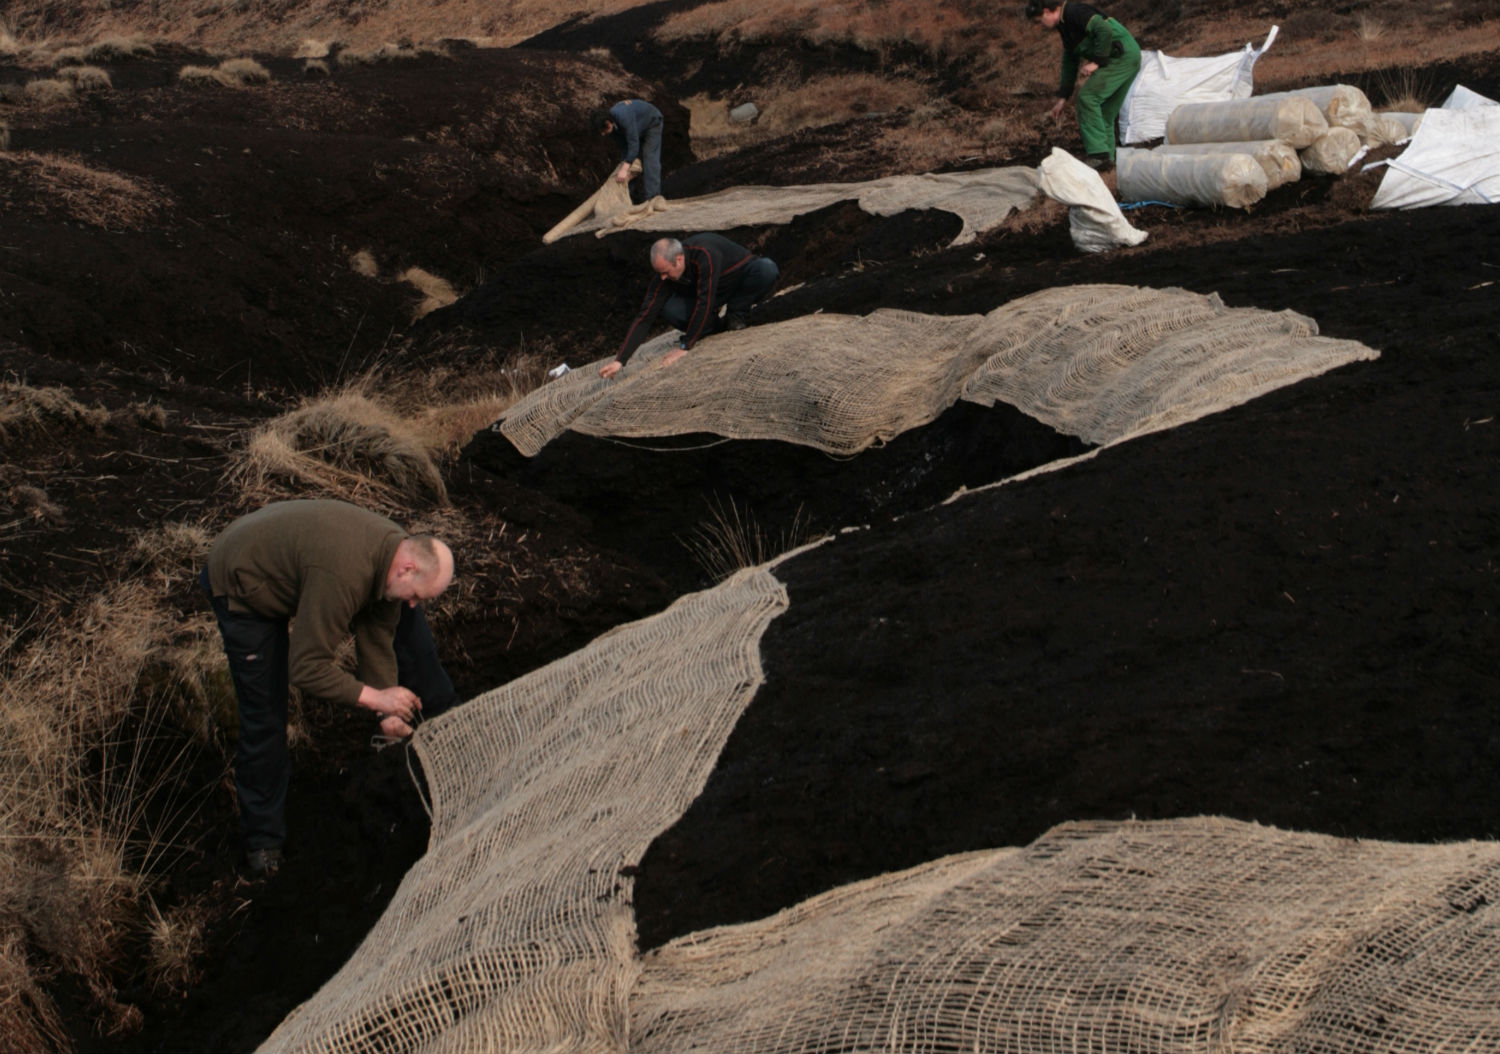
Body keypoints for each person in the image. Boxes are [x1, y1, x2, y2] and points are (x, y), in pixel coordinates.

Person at [199, 499, 459, 876]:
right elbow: (305, 668)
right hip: (242, 580)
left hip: (290, 559)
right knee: (266, 716)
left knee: (401, 632)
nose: (415, 605)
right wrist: (374, 696)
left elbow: (376, 641)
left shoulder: (392, 558)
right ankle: (263, 845)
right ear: (408, 568)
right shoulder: (344, 575)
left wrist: (387, 716)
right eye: (418, 595)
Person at [598, 234, 779, 380]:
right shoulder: (664, 277)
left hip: (735, 279)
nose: (662, 278)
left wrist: (685, 346)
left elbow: (704, 301)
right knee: (672, 310)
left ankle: (736, 314)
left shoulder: (705, 254)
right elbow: (645, 316)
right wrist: (620, 360)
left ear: (679, 260)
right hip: (709, 294)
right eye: (659, 273)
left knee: (766, 269)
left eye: (665, 272)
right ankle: (713, 327)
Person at [1027, 0, 1141, 169]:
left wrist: (1096, 62)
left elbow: (1104, 29)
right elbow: (1070, 61)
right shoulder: (1064, 27)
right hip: (1125, 56)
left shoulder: (1074, 12)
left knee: (1088, 97)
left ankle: (1099, 156)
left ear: (1047, 11)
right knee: (1104, 114)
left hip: (1121, 56)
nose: (1040, 26)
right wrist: (1062, 98)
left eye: (1039, 20)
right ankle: (1109, 163)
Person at [590, 99, 664, 203]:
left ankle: (653, 198)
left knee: (649, 157)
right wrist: (626, 166)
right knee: (628, 163)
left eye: (603, 131)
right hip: (637, 127)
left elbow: (634, 144)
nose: (603, 134)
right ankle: (629, 197)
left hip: (652, 122)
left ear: (608, 123)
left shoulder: (623, 116)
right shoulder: (612, 127)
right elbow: (625, 147)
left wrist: (624, 169)